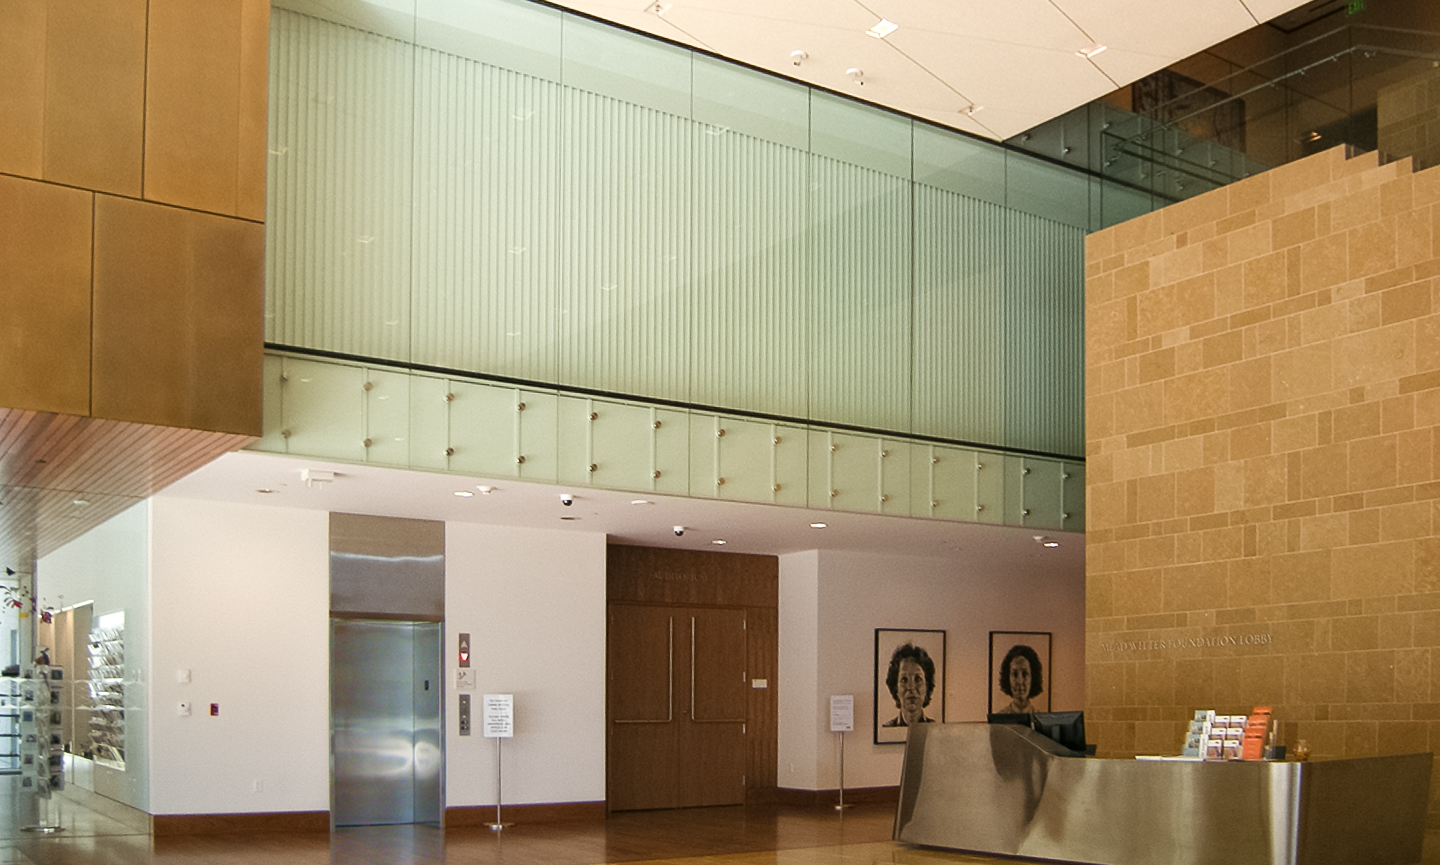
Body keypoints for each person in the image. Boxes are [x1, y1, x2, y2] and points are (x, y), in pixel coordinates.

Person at [881, 642, 937, 727]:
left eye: (918, 679)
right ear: (896, 688)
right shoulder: (887, 729)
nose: (911, 687)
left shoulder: (935, 728)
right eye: (904, 680)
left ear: (927, 686)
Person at [997, 644, 1043, 714]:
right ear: (1007, 678)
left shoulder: (1042, 720)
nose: (1020, 681)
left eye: (1025, 674)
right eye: (1014, 674)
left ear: (1033, 678)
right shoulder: (999, 721)